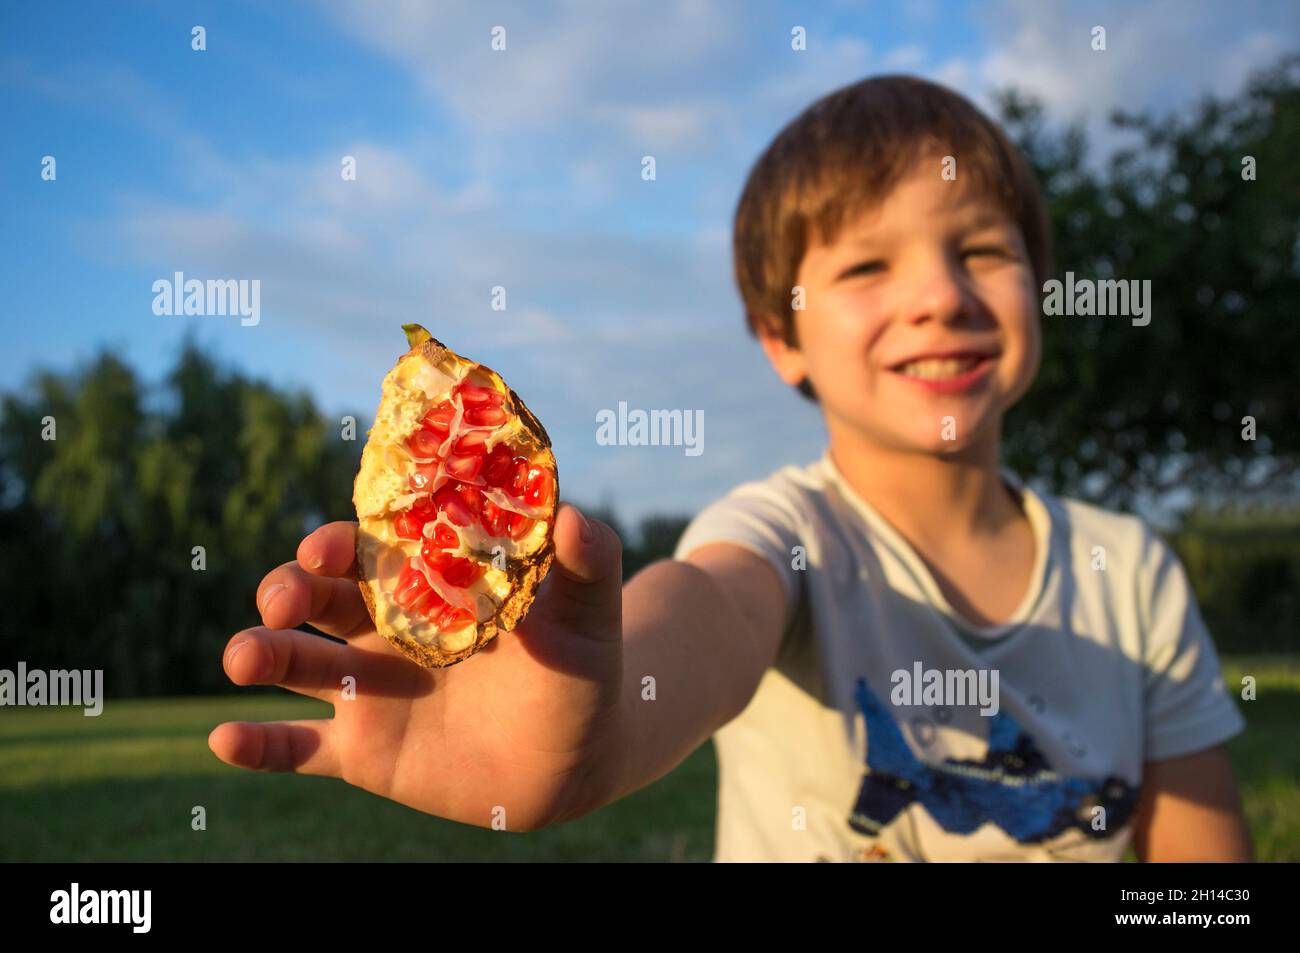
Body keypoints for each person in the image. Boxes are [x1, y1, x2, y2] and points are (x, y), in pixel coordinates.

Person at [209, 74, 1252, 862]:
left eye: (981, 249)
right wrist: (605, 720)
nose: (941, 294)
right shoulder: (782, 535)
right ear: (778, 336)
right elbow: (704, 607)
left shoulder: (1136, 572)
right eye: (866, 265)